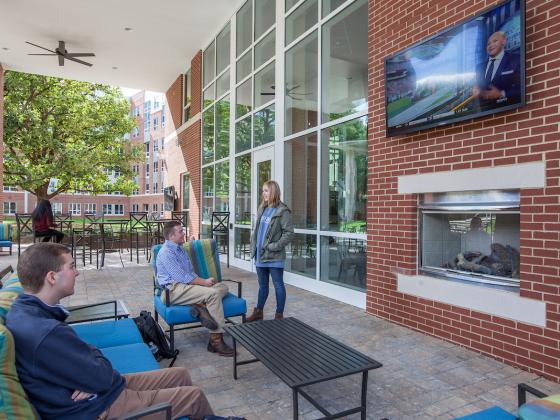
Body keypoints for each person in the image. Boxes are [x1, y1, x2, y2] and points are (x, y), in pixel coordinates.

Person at [6, 243, 246, 420]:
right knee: (193, 396)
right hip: (99, 406)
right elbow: (101, 371)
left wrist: (87, 369)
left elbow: (90, 363)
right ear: (51, 277)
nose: (77, 271)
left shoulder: (27, 313)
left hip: (98, 391)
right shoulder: (45, 331)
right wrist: (90, 368)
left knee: (181, 373)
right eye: (72, 266)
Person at [156, 221, 235, 357]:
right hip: (173, 290)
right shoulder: (166, 252)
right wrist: (204, 282)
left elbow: (190, 273)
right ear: (171, 236)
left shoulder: (180, 249)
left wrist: (203, 283)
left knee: (223, 286)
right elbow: (182, 277)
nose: (183, 233)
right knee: (213, 294)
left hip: (186, 287)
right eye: (180, 231)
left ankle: (201, 305)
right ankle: (216, 340)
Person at [246, 180, 294, 322]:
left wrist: (274, 246)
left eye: (266, 190)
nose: (263, 193)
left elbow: (289, 233)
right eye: (263, 190)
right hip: (260, 255)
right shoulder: (263, 208)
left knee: (278, 285)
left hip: (274, 256)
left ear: (273, 191)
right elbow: (258, 231)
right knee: (263, 286)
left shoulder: (282, 211)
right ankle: (259, 312)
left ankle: (279, 315)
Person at [472, 31, 521, 109]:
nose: (491, 45)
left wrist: (501, 94)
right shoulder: (479, 67)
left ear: (503, 42)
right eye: (488, 44)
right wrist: (475, 89)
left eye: (495, 41)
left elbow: (521, 87)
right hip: (483, 110)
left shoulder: (516, 59)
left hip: (508, 109)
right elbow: (477, 86)